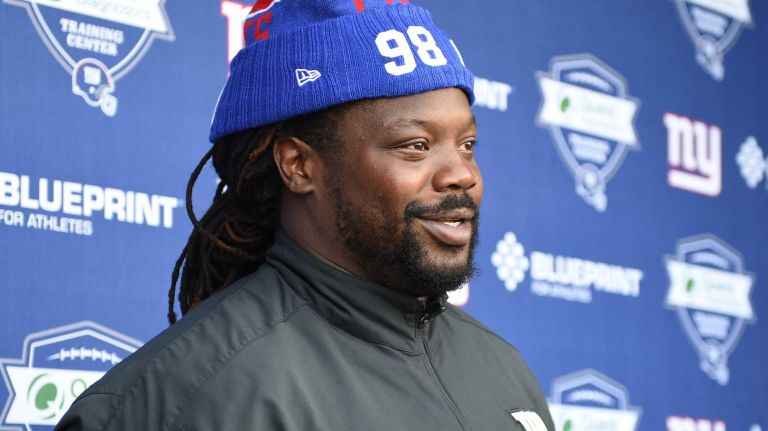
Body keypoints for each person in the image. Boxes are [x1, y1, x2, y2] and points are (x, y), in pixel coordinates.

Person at [56, 1, 554, 430]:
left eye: (467, 145)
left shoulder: (506, 372)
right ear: (298, 166)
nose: (461, 175)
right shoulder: (182, 398)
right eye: (415, 146)